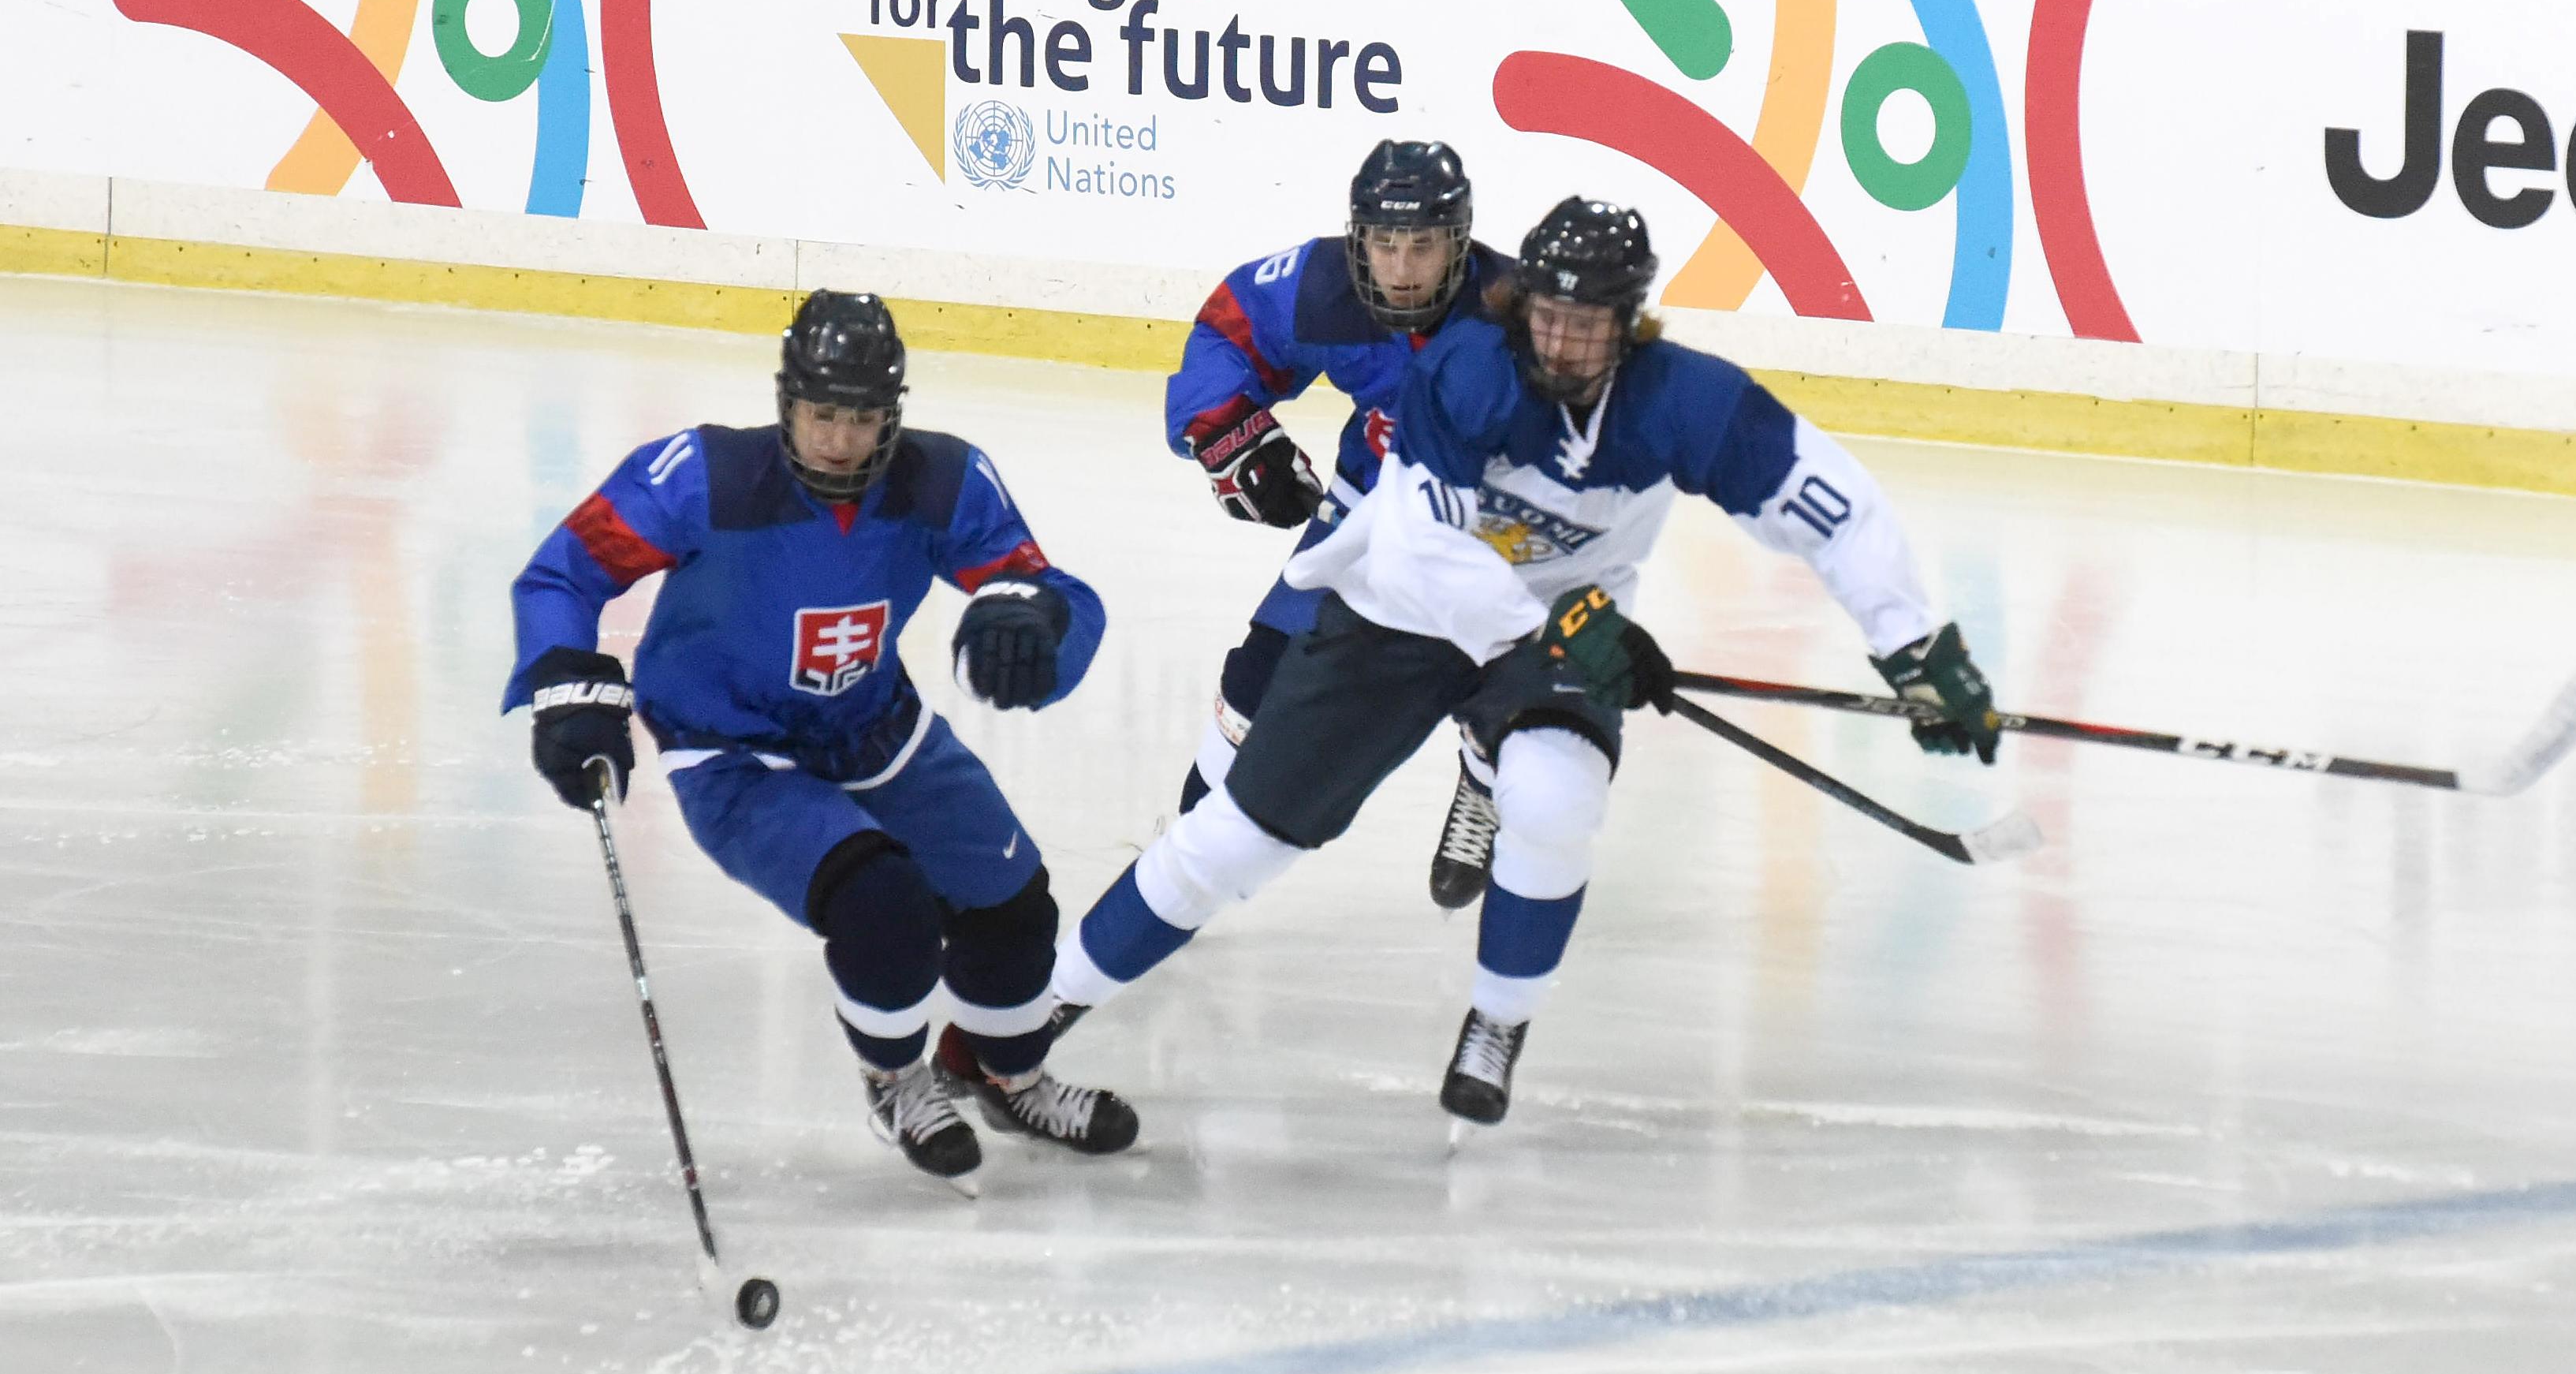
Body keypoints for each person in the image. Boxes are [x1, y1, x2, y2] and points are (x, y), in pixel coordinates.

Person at [1043, 200, 2000, 1131]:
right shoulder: (1466, 371)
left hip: (1558, 627)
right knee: (1235, 843)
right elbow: (1421, 548)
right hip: (1401, 614)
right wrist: (1570, 626)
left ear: (1631, 326)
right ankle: (1039, 1010)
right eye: (1545, 315)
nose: (1559, 343)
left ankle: (1495, 1023)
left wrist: (1909, 642)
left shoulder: (1684, 398)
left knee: (1551, 805)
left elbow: (1829, 502)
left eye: (1587, 326)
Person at [504, 290, 1137, 1196]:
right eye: (821, 414)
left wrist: (1035, 624)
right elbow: (566, 570)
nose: (839, 439)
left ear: (894, 413)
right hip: (735, 751)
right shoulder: (700, 477)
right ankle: (895, 1079)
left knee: (1015, 908)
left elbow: (1044, 584)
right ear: (785, 404)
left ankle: (1009, 1077)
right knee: (884, 907)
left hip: (876, 729)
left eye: (862, 417)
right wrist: (568, 684)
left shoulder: (943, 480)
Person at [1164, 138, 1516, 909]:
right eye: (1383, 243)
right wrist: (1227, 432)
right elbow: (1228, 330)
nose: (1399, 267)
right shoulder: (1325, 287)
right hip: (1370, 506)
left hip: (1491, 528)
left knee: (1504, 693)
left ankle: (1484, 778)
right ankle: (1189, 848)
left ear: (1458, 242)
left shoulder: (1516, 319)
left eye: (1420, 244)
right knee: (1260, 680)